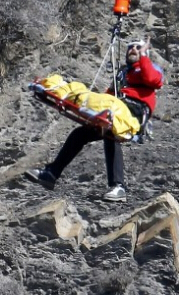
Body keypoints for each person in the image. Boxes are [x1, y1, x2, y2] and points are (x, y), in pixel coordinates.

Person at [25, 36, 164, 202]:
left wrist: (143, 57)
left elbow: (152, 80)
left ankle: (119, 187)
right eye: (131, 47)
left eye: (137, 47)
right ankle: (51, 174)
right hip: (115, 109)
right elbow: (108, 96)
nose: (133, 50)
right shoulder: (122, 74)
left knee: (111, 133)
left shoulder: (150, 68)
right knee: (80, 134)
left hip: (133, 112)